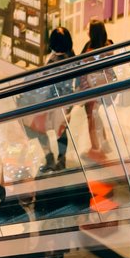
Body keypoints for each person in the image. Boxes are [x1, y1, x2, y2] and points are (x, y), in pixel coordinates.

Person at [22, 27, 76, 173]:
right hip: (66, 102)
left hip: (52, 102)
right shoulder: (71, 55)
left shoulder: (55, 61)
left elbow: (48, 83)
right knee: (61, 132)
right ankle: (60, 160)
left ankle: (50, 157)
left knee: (37, 128)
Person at [80, 20, 114, 161]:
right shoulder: (108, 46)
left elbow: (81, 66)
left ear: (92, 33)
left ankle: (95, 149)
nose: (86, 30)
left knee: (91, 118)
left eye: (89, 28)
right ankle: (104, 144)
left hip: (91, 89)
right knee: (96, 116)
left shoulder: (91, 53)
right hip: (103, 87)